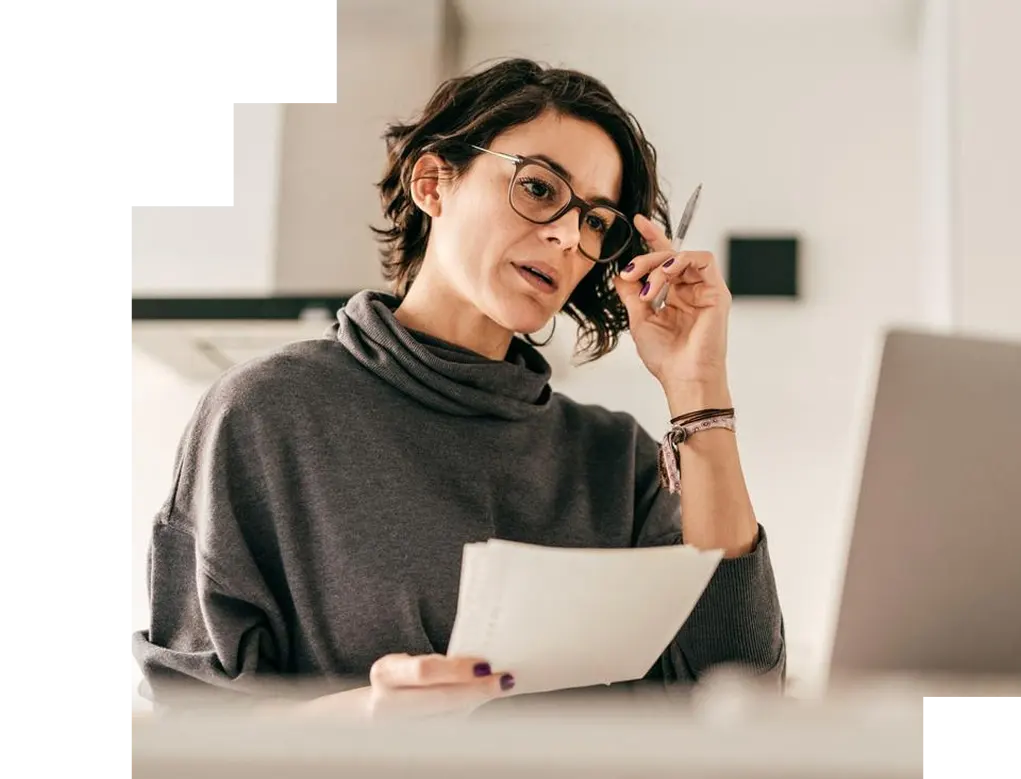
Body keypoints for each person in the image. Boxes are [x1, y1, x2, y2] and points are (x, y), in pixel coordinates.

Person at [130, 57, 785, 717]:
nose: (566, 235)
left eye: (596, 223)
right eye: (539, 188)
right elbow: (190, 727)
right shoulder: (268, 413)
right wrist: (368, 715)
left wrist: (697, 385)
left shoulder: (618, 462)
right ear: (432, 182)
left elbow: (741, 695)